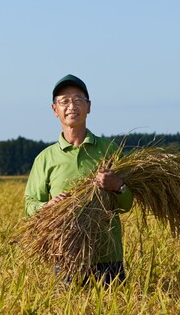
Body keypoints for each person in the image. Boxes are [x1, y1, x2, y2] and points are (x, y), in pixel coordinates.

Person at [24, 74, 133, 285]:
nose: (71, 106)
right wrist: (47, 207)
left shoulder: (109, 150)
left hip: (107, 256)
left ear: (89, 107)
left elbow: (127, 204)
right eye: (64, 101)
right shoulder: (45, 158)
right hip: (65, 256)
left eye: (78, 100)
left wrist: (118, 186)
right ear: (55, 110)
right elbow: (29, 205)